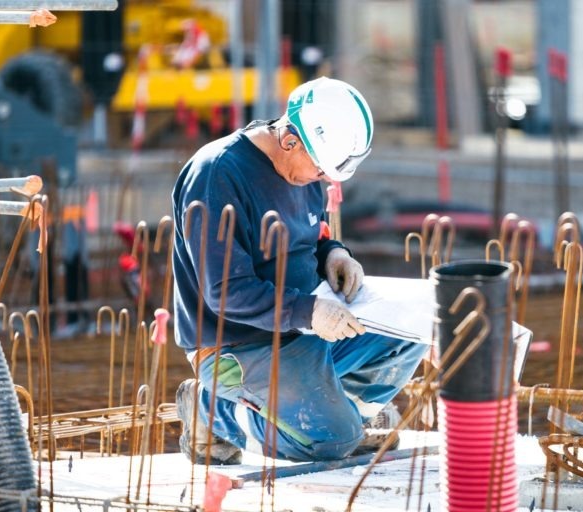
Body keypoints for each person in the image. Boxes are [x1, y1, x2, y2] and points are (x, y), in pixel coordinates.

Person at [172, 76, 428, 464]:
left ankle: (339, 421)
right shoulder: (216, 174)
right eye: (322, 170)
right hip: (239, 346)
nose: (323, 180)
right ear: (289, 140)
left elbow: (312, 233)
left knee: (411, 332)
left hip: (302, 329)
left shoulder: (303, 168)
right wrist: (309, 312)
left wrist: (334, 255)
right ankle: (212, 411)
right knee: (330, 445)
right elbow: (225, 291)